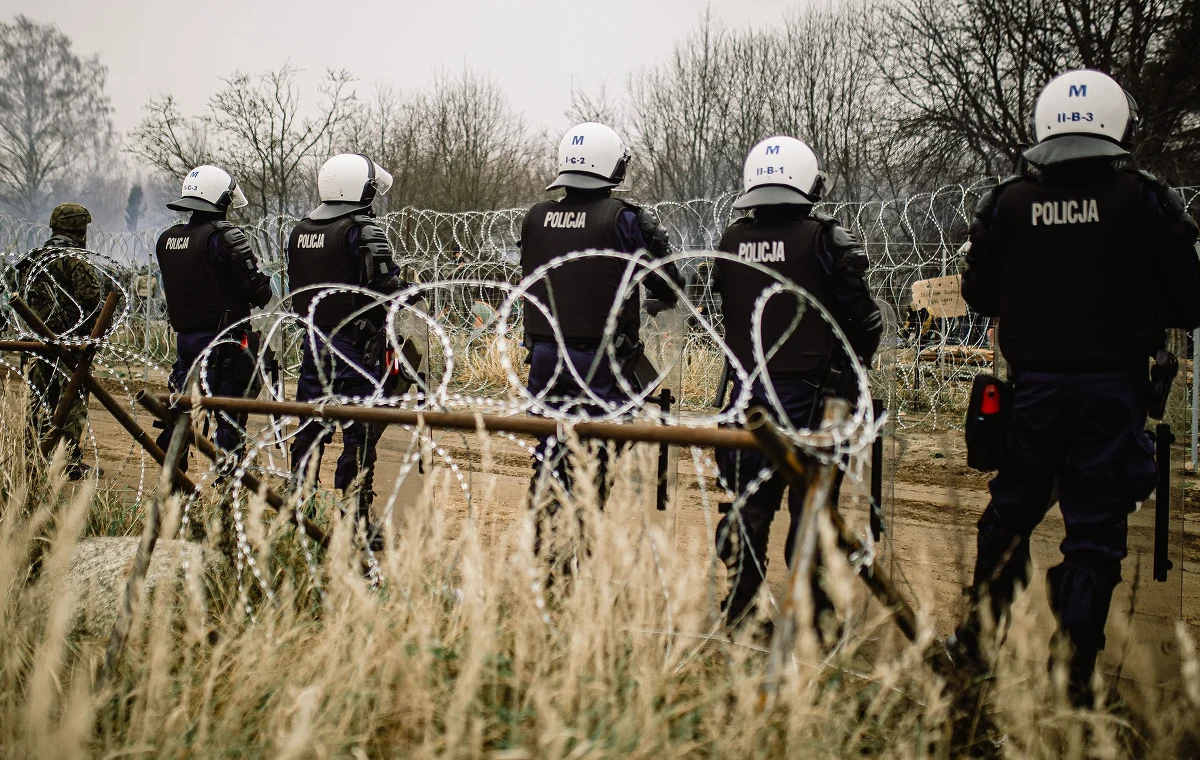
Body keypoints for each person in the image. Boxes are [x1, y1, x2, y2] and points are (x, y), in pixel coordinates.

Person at [952, 69, 1200, 704]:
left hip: (1031, 391)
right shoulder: (1144, 199)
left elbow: (976, 290)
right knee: (1095, 531)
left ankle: (977, 646)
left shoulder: (1008, 202)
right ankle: (1074, 671)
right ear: (1116, 121)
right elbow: (1189, 298)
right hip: (1113, 392)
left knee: (1009, 514)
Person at [710, 136, 882, 633]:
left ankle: (741, 614)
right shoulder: (826, 239)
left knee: (748, 506)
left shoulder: (729, 240)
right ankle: (812, 614)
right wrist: (851, 377)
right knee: (812, 505)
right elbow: (865, 320)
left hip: (745, 394)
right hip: (809, 397)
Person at [518, 122, 684, 559]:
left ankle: (544, 544)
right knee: (599, 449)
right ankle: (575, 549)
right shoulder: (624, 219)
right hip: (602, 358)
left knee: (551, 445)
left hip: (545, 354)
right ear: (612, 165)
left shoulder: (536, 217)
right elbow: (669, 281)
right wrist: (655, 301)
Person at [286, 153, 404, 545]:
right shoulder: (362, 230)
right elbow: (386, 291)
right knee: (360, 433)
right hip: (356, 347)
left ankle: (297, 509)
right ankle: (354, 518)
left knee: (309, 427)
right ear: (362, 189)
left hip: (313, 341)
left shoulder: (301, 230)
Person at [154, 165, 273, 468]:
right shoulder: (223, 237)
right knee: (229, 415)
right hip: (224, 341)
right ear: (218, 199)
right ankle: (228, 482)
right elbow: (260, 293)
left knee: (182, 409)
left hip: (186, 340)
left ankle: (173, 478)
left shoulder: (167, 239)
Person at [18, 202, 105, 479]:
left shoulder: (34, 258)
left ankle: (32, 456)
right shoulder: (75, 257)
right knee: (71, 401)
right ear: (80, 230)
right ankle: (66, 461)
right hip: (70, 341)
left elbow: (20, 297)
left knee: (39, 399)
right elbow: (92, 298)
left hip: (36, 340)